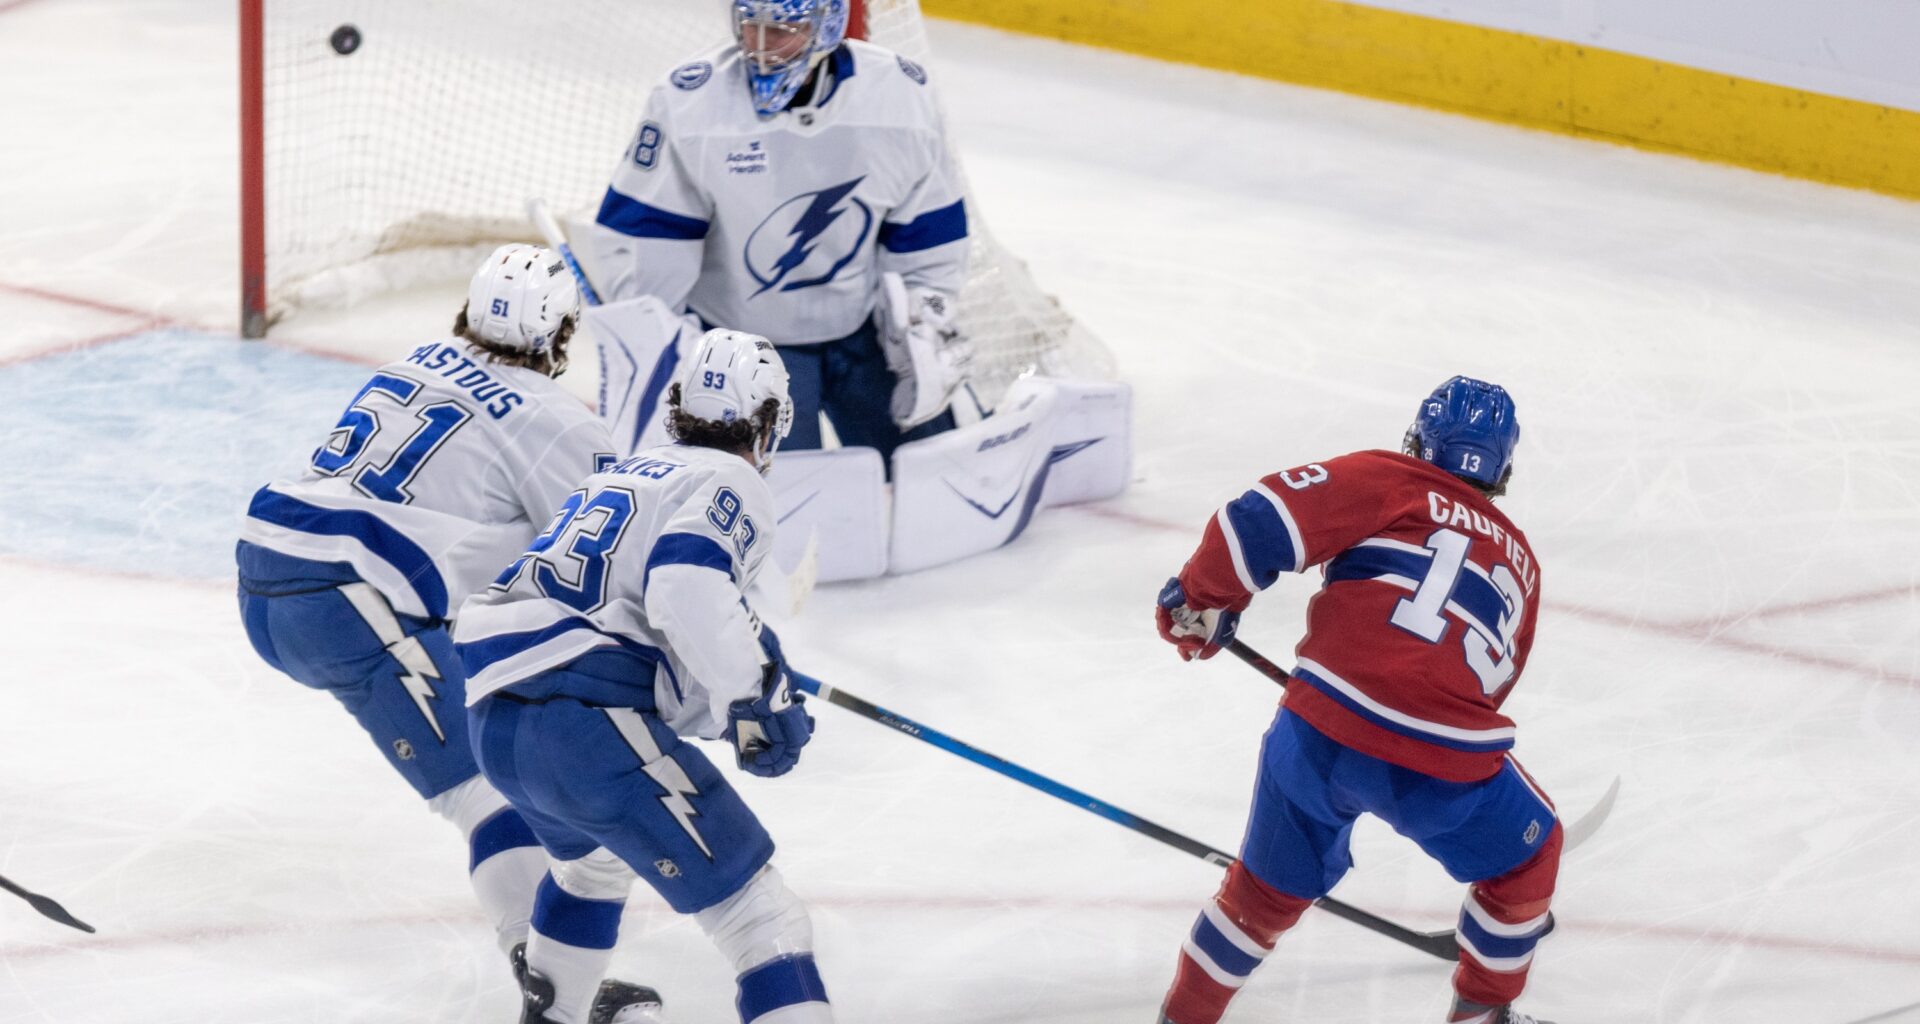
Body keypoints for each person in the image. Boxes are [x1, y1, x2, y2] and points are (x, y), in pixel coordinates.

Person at [234, 244, 665, 1012]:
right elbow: (604, 563)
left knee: (479, 783)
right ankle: (551, 982)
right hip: (347, 597)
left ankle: (542, 964)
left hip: (267, 569)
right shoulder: (555, 418)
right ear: (562, 335)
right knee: (486, 792)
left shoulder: (422, 358)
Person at [1152, 377, 1559, 1024]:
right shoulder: (1524, 565)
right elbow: (1480, 683)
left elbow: (1253, 521)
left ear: (1416, 441)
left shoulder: (1390, 479)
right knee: (1531, 855)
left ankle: (1183, 1018)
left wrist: (1203, 600)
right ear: (1502, 473)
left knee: (1258, 897)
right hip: (1441, 759)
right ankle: (1481, 1016)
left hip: (1318, 730)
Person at [455, 329, 833, 1024]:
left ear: (678, 404)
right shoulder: (732, 480)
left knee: (591, 866)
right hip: (583, 725)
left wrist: (738, 699)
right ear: (773, 420)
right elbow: (686, 586)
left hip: (495, 719)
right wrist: (753, 694)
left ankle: (556, 1015)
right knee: (760, 919)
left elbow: (642, 635)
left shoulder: (623, 474)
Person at [583, 0, 974, 461]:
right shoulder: (691, 102)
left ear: (826, 27)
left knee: (933, 465)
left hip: (862, 330)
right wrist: (663, 341)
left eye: (783, 28)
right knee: (774, 498)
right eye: (751, 25)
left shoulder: (898, 97)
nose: (761, 45)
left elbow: (928, 228)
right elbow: (648, 239)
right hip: (743, 346)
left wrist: (922, 321)